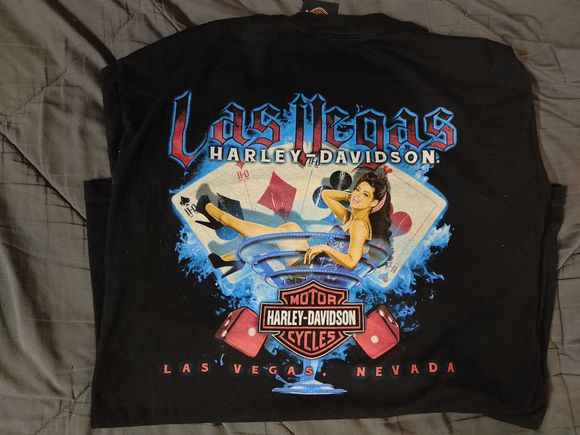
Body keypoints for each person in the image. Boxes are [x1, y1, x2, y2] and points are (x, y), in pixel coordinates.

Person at [195, 171, 391, 272]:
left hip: (316, 274)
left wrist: (324, 248)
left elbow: (351, 262)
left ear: (374, 203)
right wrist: (351, 197)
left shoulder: (359, 226)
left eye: (365, 194)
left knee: (285, 234)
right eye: (357, 189)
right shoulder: (351, 217)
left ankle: (220, 217)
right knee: (290, 228)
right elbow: (326, 196)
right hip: (315, 264)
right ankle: (230, 257)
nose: (357, 195)